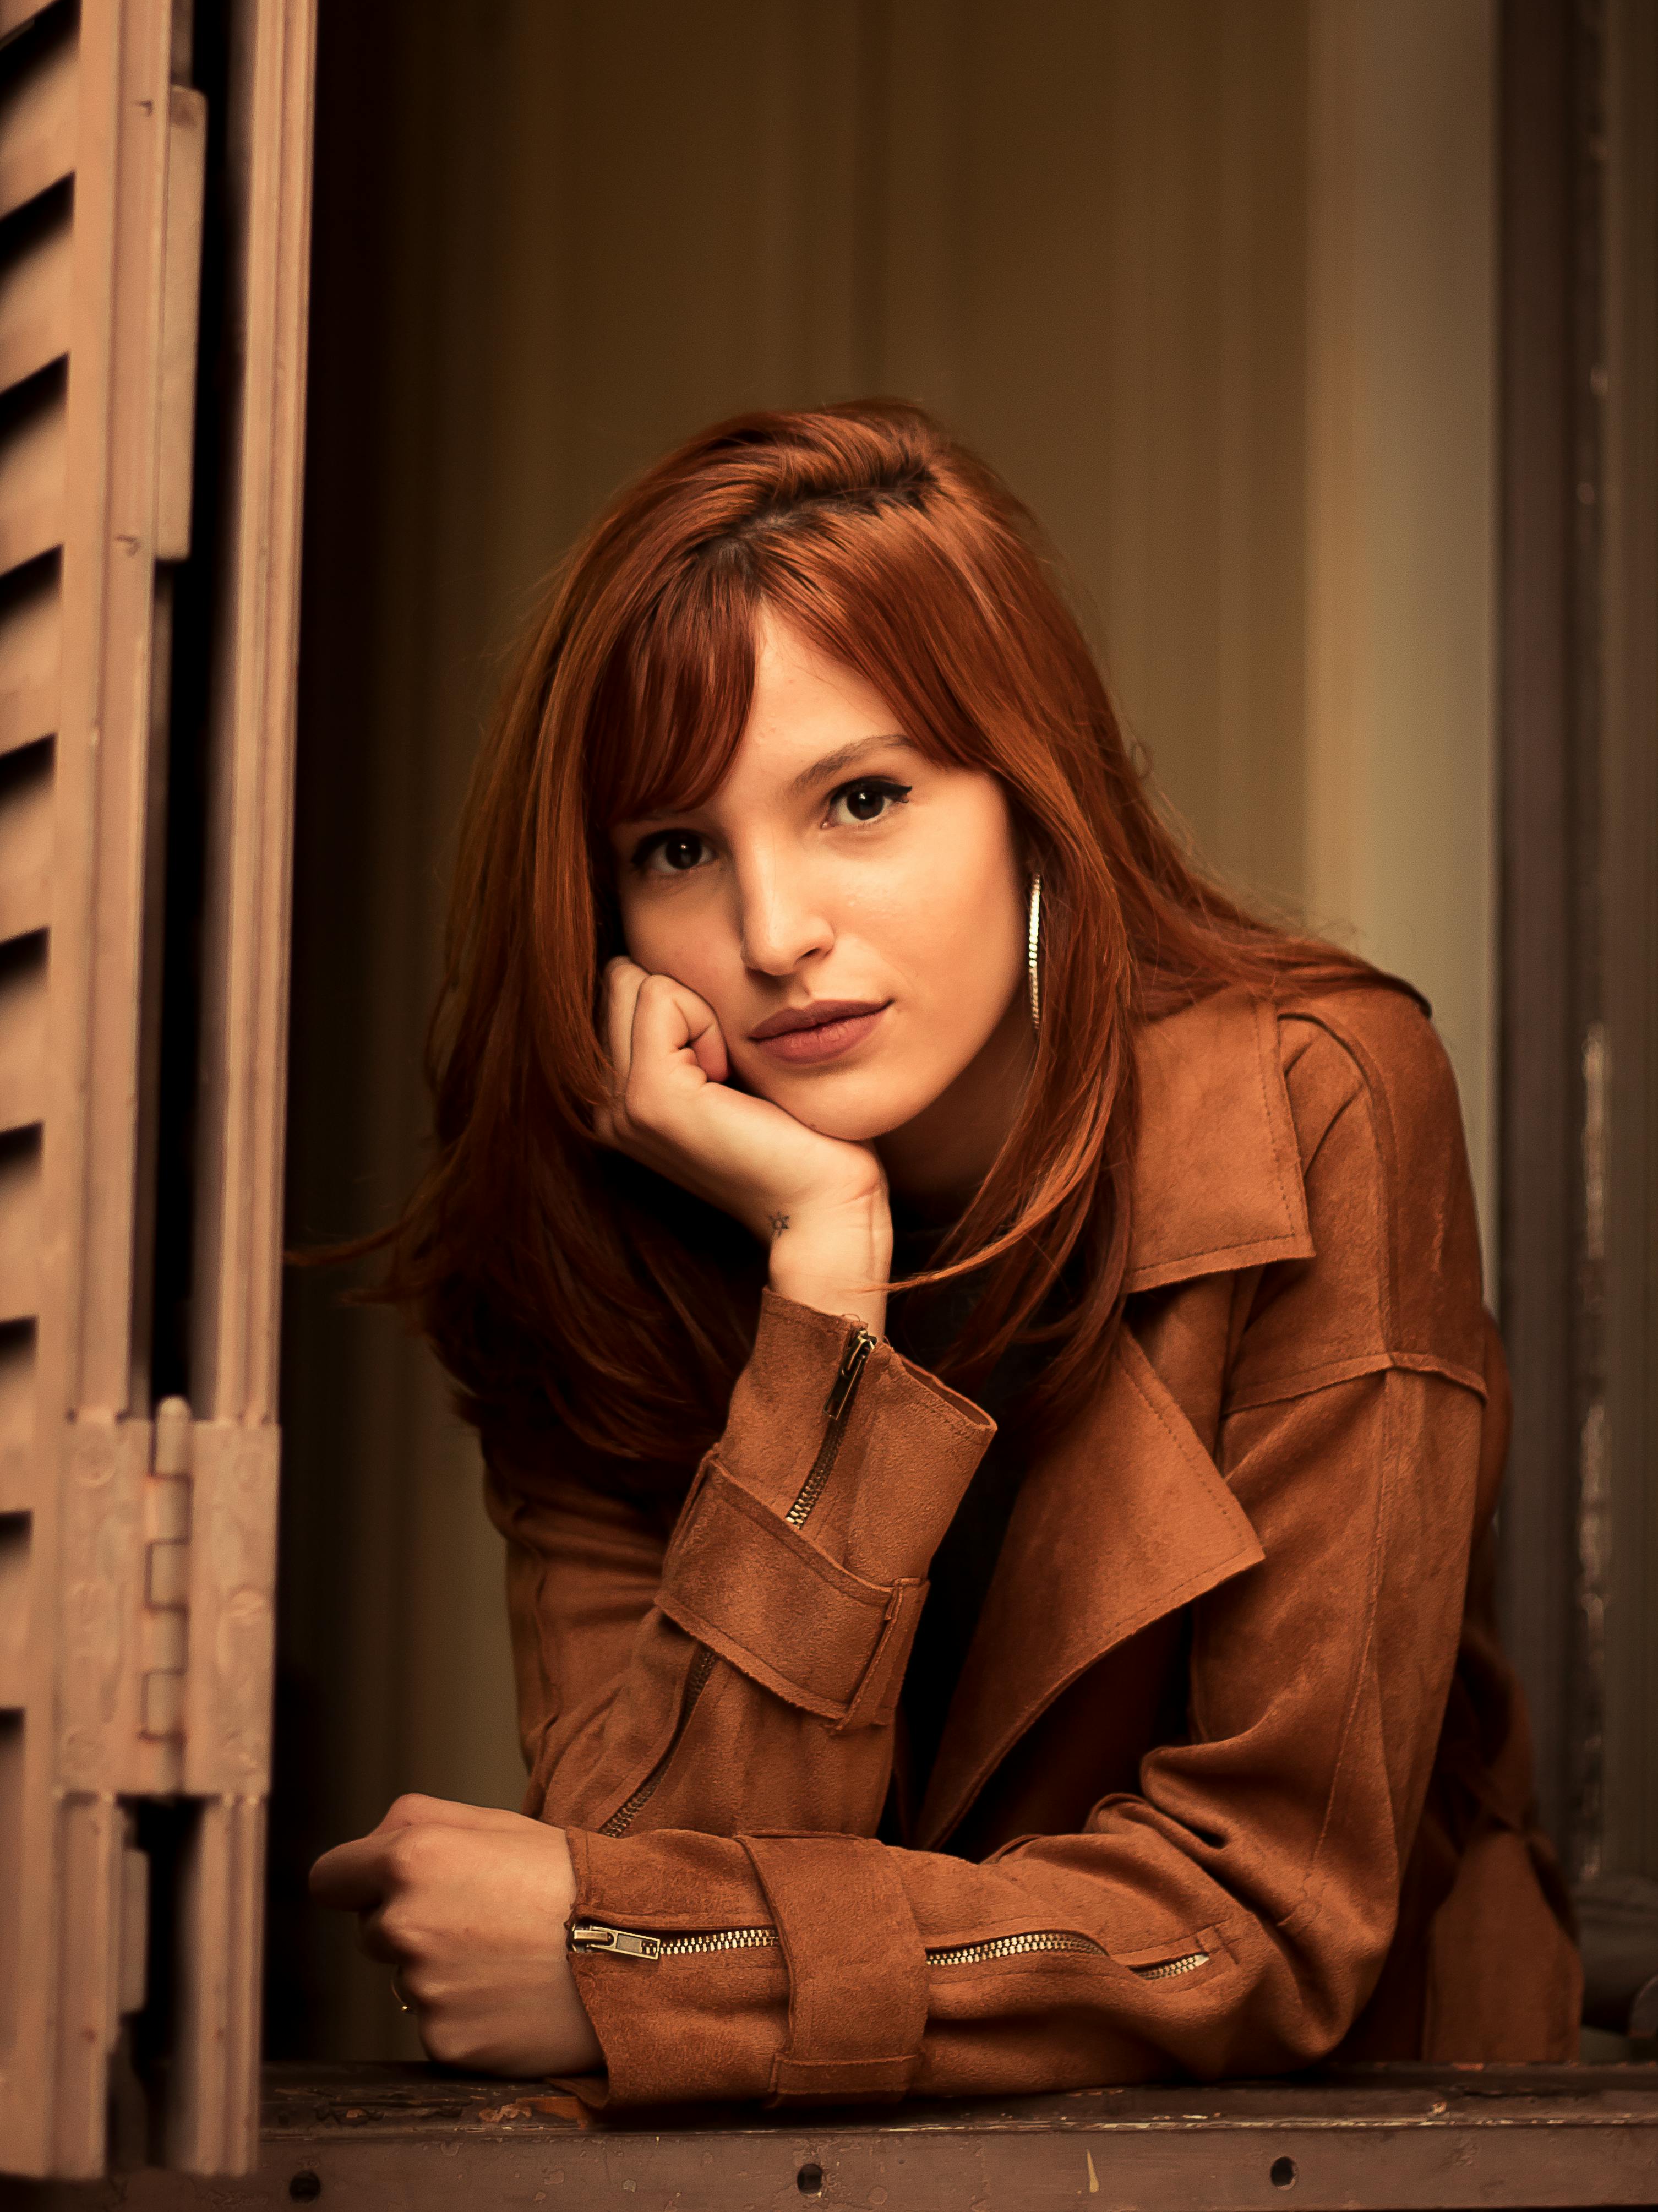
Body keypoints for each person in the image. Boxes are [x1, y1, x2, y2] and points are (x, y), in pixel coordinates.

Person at [310, 404, 1580, 2104]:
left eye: (860, 797)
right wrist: (825, 1282)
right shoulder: (600, 1243)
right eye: (676, 849)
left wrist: (660, 1969)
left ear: (1028, 793)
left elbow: (1268, 1912)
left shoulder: (1312, 1102)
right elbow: (667, 1860)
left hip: (1348, 2153)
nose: (772, 934)